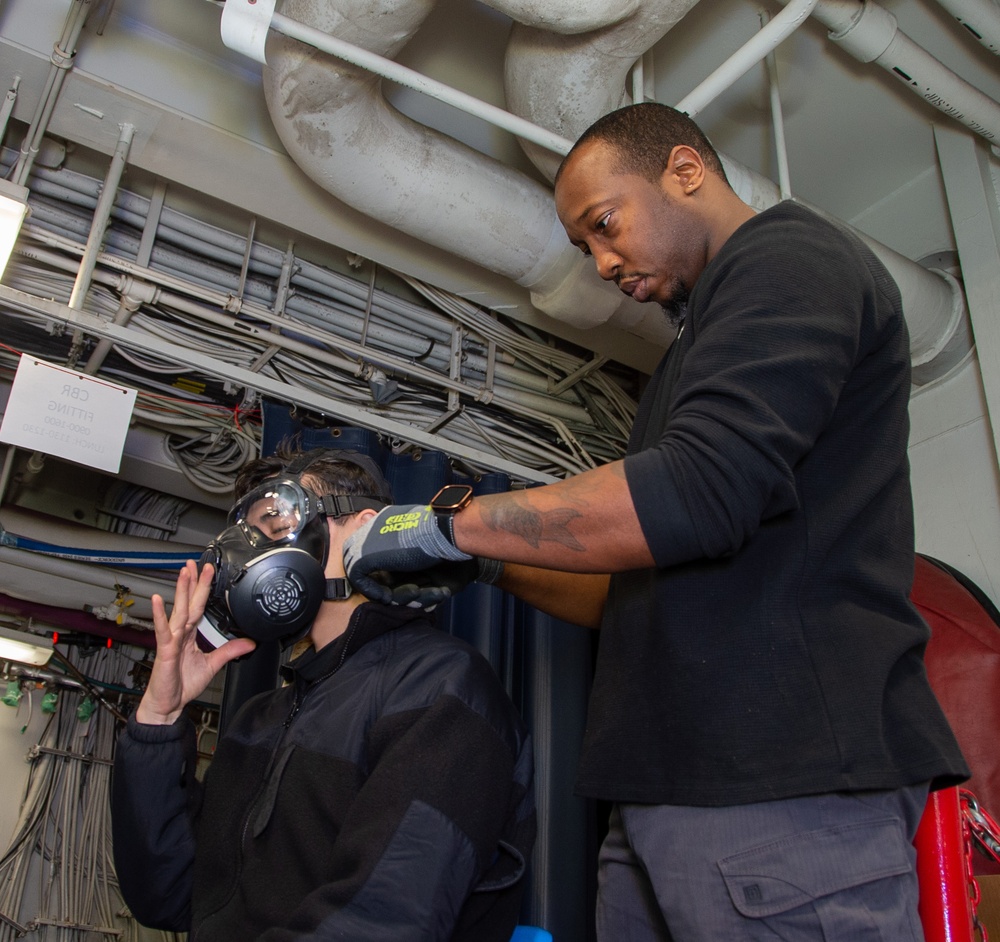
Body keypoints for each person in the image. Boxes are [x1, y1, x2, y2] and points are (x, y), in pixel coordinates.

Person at [343, 103, 969, 940]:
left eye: (605, 225)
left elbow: (695, 491)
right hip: (662, 800)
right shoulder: (691, 360)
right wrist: (485, 564)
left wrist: (444, 523)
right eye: (584, 247)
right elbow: (628, 595)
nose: (602, 262)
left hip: (778, 788)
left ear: (684, 170)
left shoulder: (791, 257)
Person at [111, 447, 536, 942]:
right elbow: (167, 896)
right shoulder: (260, 718)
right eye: (252, 538)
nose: (257, 555)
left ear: (364, 527)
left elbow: (386, 923)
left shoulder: (439, 687)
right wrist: (159, 719)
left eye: (276, 526)